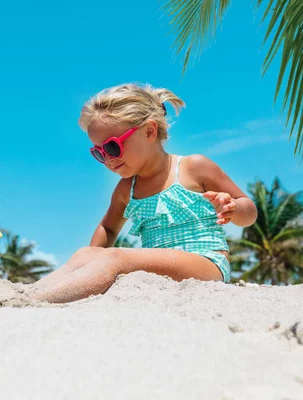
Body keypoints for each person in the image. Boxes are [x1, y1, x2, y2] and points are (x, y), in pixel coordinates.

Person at [31, 83, 257, 303]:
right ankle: (26, 294)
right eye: (99, 153)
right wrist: (91, 256)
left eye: (111, 147)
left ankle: (41, 301)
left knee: (116, 258)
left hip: (206, 263)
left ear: (149, 131)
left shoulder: (193, 167)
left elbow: (249, 211)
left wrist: (234, 208)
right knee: (84, 253)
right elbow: (108, 228)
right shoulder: (125, 189)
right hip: (159, 272)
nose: (107, 159)